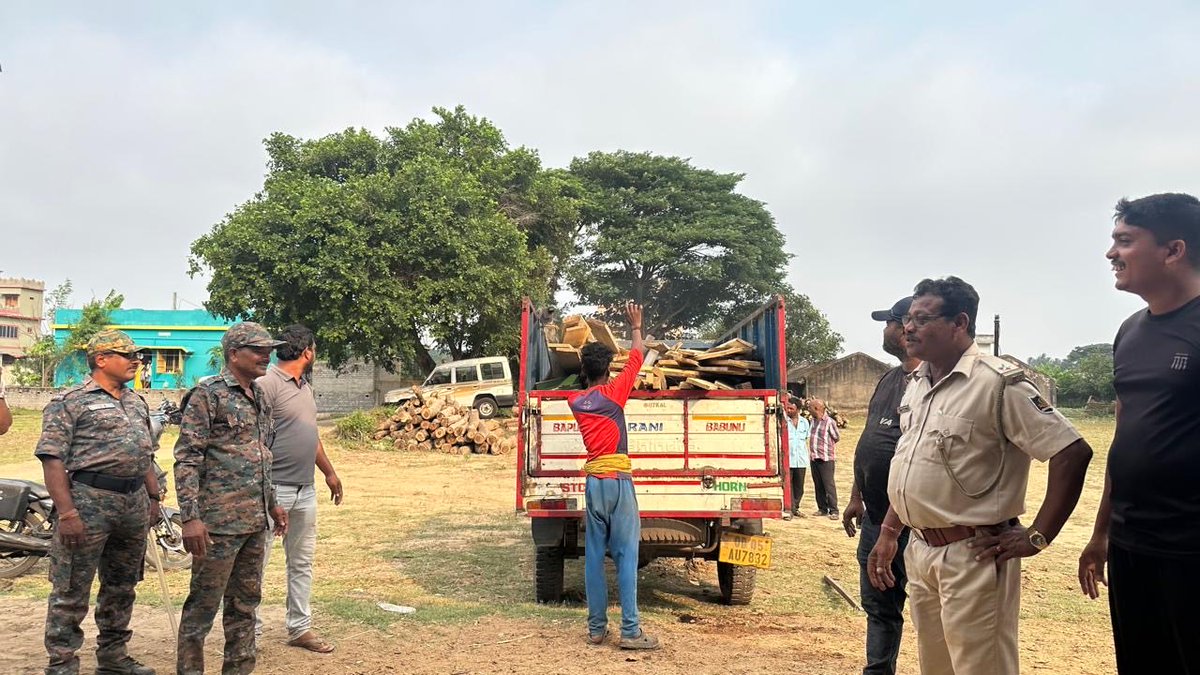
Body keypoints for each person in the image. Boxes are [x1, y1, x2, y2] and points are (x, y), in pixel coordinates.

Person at [866, 276, 1093, 675]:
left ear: (959, 323)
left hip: (973, 554)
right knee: (935, 667)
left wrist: (1037, 536)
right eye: (908, 319)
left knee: (981, 668)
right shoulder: (918, 384)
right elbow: (912, 467)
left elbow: (1072, 452)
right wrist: (888, 533)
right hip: (919, 549)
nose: (909, 327)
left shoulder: (998, 383)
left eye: (922, 318)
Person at [1078, 193, 1200, 673]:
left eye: (1125, 241)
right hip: (1133, 545)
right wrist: (1102, 531)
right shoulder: (1130, 331)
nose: (1111, 254)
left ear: (1173, 250)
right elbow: (1125, 436)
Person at [34, 330, 161, 675]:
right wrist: (68, 513)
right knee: (71, 589)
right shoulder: (70, 401)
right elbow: (52, 459)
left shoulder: (136, 401)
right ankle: (62, 664)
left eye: (137, 355)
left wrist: (153, 496)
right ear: (101, 359)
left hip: (132, 503)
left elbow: (146, 454)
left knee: (122, 586)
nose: (136, 361)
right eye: (127, 355)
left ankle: (113, 658)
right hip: (88, 503)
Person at [174, 321, 289, 675]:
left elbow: (260, 455)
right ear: (234, 354)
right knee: (202, 607)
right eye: (258, 349)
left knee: (245, 605)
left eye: (269, 349)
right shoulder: (206, 395)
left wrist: (271, 503)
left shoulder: (260, 396)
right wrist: (190, 517)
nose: (266, 355)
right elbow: (188, 457)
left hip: (255, 521)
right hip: (218, 524)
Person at [568, 302, 658, 650]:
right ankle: (631, 631)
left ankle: (596, 629)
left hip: (593, 487)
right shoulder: (615, 394)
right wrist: (636, 326)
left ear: (584, 371)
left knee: (594, 557)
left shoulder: (576, 401)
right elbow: (637, 356)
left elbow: (586, 384)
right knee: (625, 556)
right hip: (618, 484)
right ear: (607, 370)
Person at [841, 296, 919, 675]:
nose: (884, 330)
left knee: (928, 607)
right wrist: (857, 496)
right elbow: (870, 442)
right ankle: (878, 671)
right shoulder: (889, 378)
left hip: (916, 524)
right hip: (875, 519)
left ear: (906, 326)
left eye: (887, 322)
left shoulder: (931, 383)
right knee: (879, 605)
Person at [255, 324, 344, 654]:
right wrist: (266, 492)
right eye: (315, 348)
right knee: (256, 563)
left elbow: (311, 435)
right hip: (273, 490)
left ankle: (300, 628)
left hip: (305, 489)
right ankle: (249, 633)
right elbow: (255, 439)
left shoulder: (304, 387)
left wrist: (330, 473)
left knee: (301, 562)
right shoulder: (268, 384)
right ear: (307, 351)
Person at [808, 398, 840, 519]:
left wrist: (826, 447)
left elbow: (836, 437)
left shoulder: (829, 422)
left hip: (826, 459)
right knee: (818, 484)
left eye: (810, 407)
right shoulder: (813, 421)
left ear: (816, 408)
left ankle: (834, 510)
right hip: (814, 457)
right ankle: (822, 508)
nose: (808, 409)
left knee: (829, 485)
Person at [784, 396, 810, 517]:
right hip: (788, 460)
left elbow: (806, 439)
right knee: (788, 485)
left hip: (801, 460)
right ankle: (789, 509)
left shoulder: (805, 422)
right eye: (787, 408)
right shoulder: (783, 422)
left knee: (799, 487)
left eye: (791, 409)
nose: (788, 410)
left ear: (798, 409)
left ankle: (796, 507)